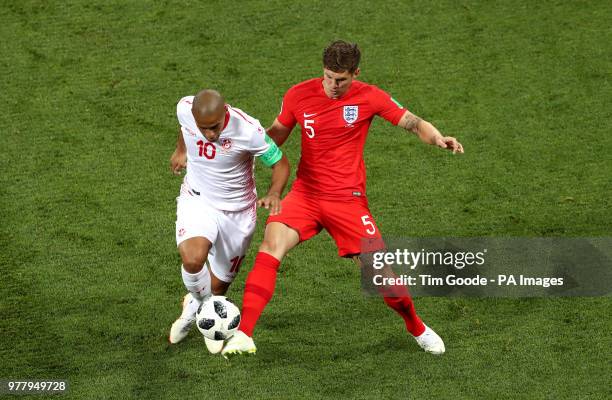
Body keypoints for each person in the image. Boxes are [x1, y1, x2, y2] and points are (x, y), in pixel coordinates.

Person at [222, 41, 463, 357]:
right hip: (305, 194)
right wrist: (241, 151)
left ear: (355, 74)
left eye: (341, 80)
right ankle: (244, 335)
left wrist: (438, 138)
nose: (333, 86)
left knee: (383, 276)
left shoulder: (369, 96)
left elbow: (413, 123)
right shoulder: (298, 95)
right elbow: (276, 133)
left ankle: (416, 327)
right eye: (328, 77)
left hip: (347, 201)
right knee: (270, 246)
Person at [168, 89, 289, 354]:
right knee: (192, 259)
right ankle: (202, 314)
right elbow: (184, 127)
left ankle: (195, 306)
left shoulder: (249, 131)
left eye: (214, 127)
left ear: (225, 113)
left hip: (238, 213)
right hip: (198, 199)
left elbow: (280, 163)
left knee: (218, 286)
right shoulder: (185, 109)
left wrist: (274, 193)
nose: (210, 135)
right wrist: (181, 151)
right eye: (204, 129)